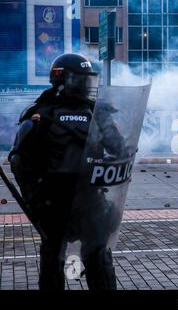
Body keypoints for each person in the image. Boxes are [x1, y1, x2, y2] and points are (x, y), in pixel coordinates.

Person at [8, 53, 125, 290]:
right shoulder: (95, 115)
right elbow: (120, 149)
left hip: (58, 204)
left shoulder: (41, 114)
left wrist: (34, 199)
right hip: (80, 204)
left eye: (89, 81)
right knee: (93, 259)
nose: (88, 87)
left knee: (56, 260)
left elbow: (19, 161)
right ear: (65, 80)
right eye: (83, 81)